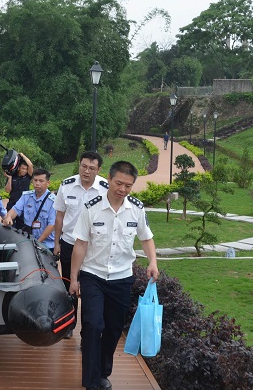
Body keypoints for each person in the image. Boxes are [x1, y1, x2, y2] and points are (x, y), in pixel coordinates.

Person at [69, 161, 159, 390]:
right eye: (119, 183)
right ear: (108, 179)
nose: (123, 189)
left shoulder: (136, 208)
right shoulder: (91, 207)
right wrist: (74, 278)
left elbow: (146, 238)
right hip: (93, 276)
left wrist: (153, 262)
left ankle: (102, 373)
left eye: (128, 185)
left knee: (113, 329)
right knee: (92, 324)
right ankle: (91, 381)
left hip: (121, 277)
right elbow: (80, 244)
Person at [53, 151, 108, 338]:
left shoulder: (105, 189)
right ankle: (69, 325)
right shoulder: (67, 185)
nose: (86, 171)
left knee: (91, 287)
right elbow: (59, 215)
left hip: (94, 247)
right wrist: (56, 243)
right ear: (79, 165)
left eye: (92, 168)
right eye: (83, 166)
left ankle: (88, 331)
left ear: (99, 170)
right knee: (69, 284)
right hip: (69, 242)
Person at [2, 168, 55, 250]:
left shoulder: (53, 201)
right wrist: (9, 217)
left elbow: (51, 225)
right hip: (29, 240)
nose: (37, 183)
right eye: (35, 180)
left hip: (46, 243)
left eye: (41, 181)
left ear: (48, 183)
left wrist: (37, 243)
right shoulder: (26, 196)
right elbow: (15, 209)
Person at [4, 152, 33, 229]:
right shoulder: (12, 176)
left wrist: (22, 155)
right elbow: (7, 190)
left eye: (26, 169)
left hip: (24, 206)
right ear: (19, 168)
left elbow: (30, 165)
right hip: (12, 204)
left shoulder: (28, 177)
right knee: (10, 226)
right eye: (23, 168)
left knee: (23, 227)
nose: (24, 171)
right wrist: (9, 178)